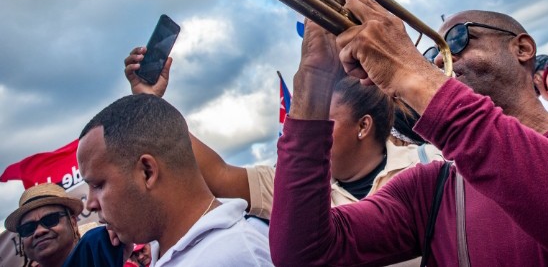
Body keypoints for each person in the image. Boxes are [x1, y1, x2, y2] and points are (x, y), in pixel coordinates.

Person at [269, 0, 548, 266]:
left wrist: (413, 72)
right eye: (431, 53)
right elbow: (302, 253)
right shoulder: (427, 189)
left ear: (522, 49)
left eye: (457, 39)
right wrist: (312, 80)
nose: (442, 60)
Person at [123, 47, 441, 267]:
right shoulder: (289, 188)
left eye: (321, 118)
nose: (306, 126)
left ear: (363, 126)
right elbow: (217, 175)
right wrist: (153, 104)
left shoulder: (428, 166)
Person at [76, 94, 273, 267]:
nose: (91, 204)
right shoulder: (181, 251)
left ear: (147, 172)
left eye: (98, 185)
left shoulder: (233, 255)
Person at [3, 183, 126, 267]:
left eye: (50, 219)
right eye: (28, 228)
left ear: (73, 222)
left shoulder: (98, 248)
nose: (39, 231)